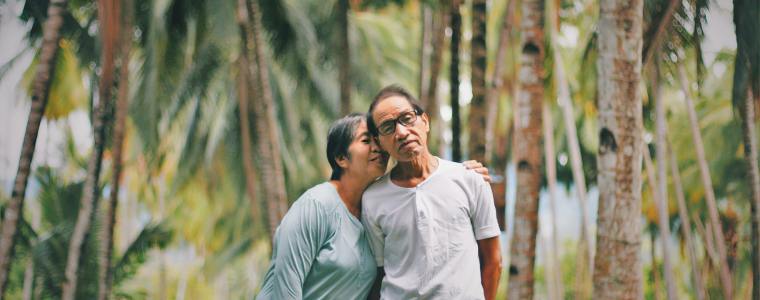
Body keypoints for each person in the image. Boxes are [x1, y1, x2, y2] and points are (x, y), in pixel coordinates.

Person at [256, 113, 490, 299]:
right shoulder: (316, 205)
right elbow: (285, 288)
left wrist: (463, 173)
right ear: (341, 158)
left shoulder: (373, 209)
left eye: (378, 141)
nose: (378, 148)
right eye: (366, 141)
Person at [362, 85, 502, 300]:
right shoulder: (373, 199)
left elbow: (493, 261)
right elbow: (380, 272)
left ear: (425, 121)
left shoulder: (470, 179)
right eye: (388, 127)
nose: (401, 132)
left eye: (407, 118)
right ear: (380, 141)